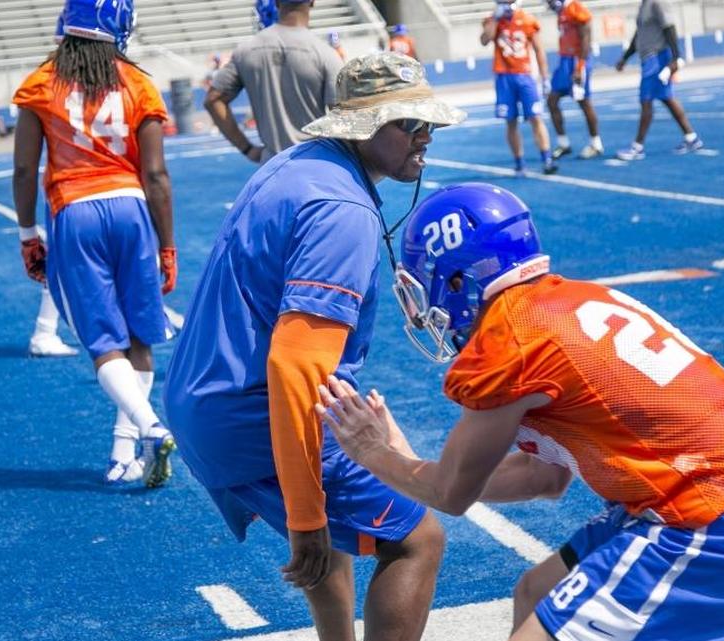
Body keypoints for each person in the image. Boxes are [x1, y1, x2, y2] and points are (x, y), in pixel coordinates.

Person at [316, 182, 724, 641]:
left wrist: (372, 451)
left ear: (459, 278)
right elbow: (540, 477)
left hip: (713, 514)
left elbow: (451, 493)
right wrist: (410, 463)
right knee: (537, 591)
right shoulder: (566, 300)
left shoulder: (512, 341)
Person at [163, 53, 465, 641]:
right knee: (417, 542)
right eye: (409, 123)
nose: (427, 135)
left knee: (339, 527)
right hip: (252, 410)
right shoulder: (343, 211)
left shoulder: (302, 163)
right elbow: (295, 367)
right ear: (365, 128)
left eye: (428, 122)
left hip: (207, 397)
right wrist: (304, 516)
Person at [12, 0, 178, 488]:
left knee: (105, 343)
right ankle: (124, 451)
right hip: (130, 210)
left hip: (76, 213)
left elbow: (24, 169)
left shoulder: (42, 81)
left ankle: (146, 429)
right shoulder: (136, 82)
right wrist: (167, 246)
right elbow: (156, 175)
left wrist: (27, 234)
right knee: (139, 337)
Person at [204, 0, 343, 163]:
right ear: (312, 2)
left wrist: (247, 148)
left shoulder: (246, 50)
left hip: (271, 165)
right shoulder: (325, 54)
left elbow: (213, 100)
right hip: (314, 163)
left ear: (277, 3)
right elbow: (343, 117)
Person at [614, 0, 703, 160]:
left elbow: (669, 27)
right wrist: (625, 58)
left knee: (646, 100)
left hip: (657, 58)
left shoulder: (657, 2)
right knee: (667, 98)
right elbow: (639, 34)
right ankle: (692, 138)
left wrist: (676, 57)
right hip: (650, 57)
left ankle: (637, 147)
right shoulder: (645, 4)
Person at [481, 0, 557, 175]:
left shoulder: (528, 19)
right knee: (511, 121)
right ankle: (519, 163)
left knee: (536, 117)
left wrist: (545, 76)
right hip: (504, 77)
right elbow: (485, 40)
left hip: (525, 75)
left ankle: (547, 159)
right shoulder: (492, 19)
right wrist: (495, 18)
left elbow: (538, 49)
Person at [545, 0, 603, 160]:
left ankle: (596, 143)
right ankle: (564, 144)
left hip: (577, 60)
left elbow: (586, 36)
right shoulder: (562, 12)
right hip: (565, 61)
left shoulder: (575, 8)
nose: (548, 4)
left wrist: (580, 66)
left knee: (583, 101)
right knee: (552, 101)